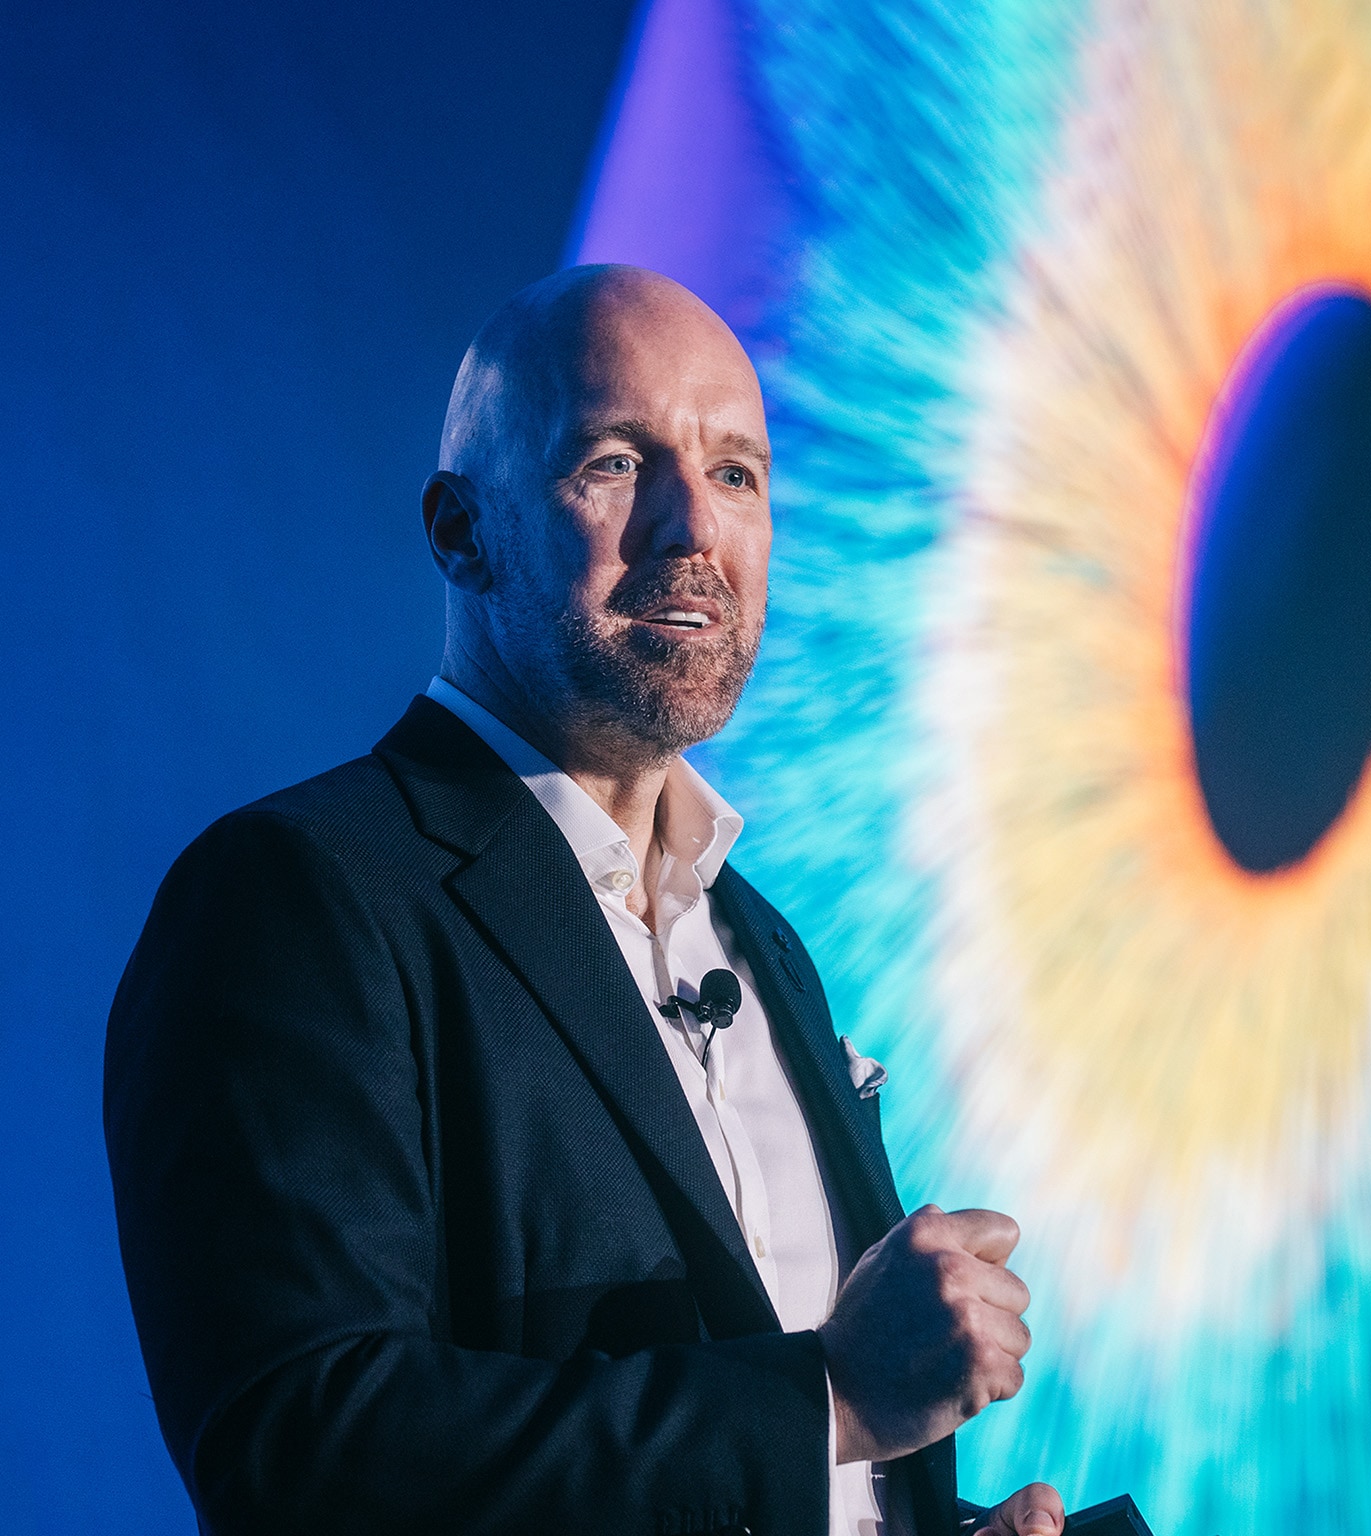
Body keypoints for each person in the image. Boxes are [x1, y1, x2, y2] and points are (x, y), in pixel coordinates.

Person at [104, 265, 1065, 1536]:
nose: (692, 530)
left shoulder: (761, 943)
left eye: (736, 473)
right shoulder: (298, 897)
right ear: (461, 530)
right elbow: (307, 1448)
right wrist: (826, 1395)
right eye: (617, 462)